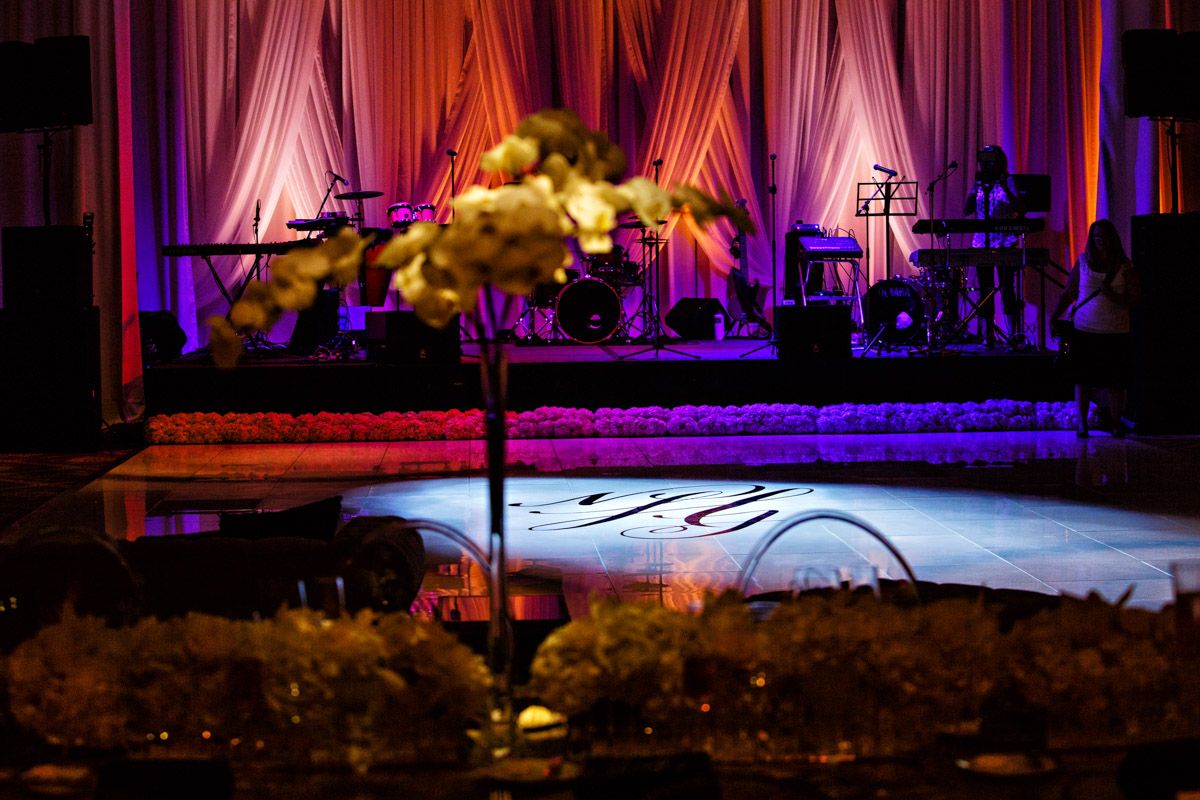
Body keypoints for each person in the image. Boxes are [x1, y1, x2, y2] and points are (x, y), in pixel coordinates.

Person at [1052, 219, 1141, 437]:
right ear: (1092, 239)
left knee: (1116, 382)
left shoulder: (1124, 265)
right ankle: (1082, 424)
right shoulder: (1083, 262)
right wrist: (1054, 316)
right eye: (1096, 236)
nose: (1100, 240)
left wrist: (1114, 297)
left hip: (1115, 331)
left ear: (1113, 238)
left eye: (1104, 236)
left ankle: (1115, 423)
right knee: (1083, 380)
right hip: (1085, 330)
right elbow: (1070, 292)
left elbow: (1135, 299)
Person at [964, 145, 1025, 347]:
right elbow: (967, 210)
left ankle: (1012, 334)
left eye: (991, 160)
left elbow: (1020, 208)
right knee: (986, 289)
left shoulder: (1008, 180)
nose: (987, 163)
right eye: (984, 160)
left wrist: (1004, 186)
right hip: (982, 242)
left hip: (1005, 242)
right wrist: (975, 190)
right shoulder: (980, 182)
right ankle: (987, 334)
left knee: (1007, 288)